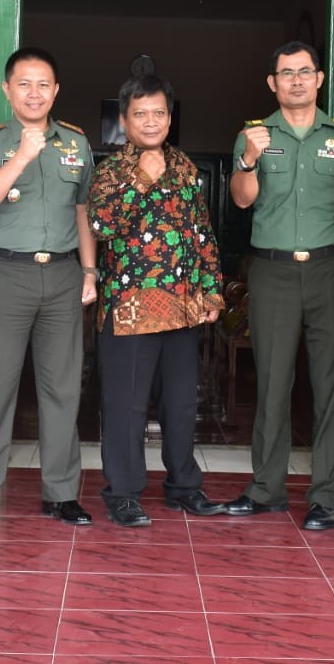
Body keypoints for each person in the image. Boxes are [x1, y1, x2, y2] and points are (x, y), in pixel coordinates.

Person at [227, 40, 334, 531]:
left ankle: (327, 496)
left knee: (331, 385)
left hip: (330, 269)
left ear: (319, 79)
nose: (297, 80)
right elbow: (242, 200)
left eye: (305, 71)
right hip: (272, 271)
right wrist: (248, 159)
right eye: (287, 73)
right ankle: (266, 488)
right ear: (273, 83)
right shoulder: (254, 135)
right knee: (271, 381)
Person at [0, 47, 97, 529]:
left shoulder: (76, 143)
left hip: (62, 276)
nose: (34, 93)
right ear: (7, 89)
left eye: (43, 84)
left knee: (62, 389)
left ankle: (62, 493)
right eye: (24, 84)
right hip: (6, 274)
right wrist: (21, 155)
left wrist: (89, 271)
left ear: (55, 91)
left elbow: (82, 211)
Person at [87, 57, 227, 526]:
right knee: (126, 408)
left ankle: (183, 486)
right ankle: (123, 493)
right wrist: (141, 177)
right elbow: (102, 225)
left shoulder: (184, 165)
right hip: (130, 311)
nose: (151, 122)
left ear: (170, 116)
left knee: (181, 405)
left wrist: (211, 291)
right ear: (124, 120)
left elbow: (201, 231)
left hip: (183, 308)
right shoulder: (110, 169)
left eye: (159, 113)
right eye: (141, 114)